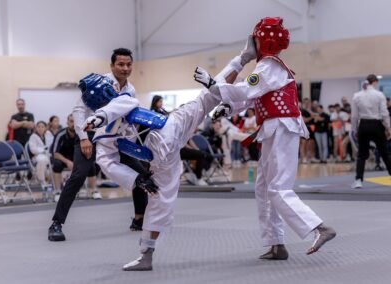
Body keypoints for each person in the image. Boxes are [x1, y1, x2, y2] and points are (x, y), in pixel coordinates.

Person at [82, 37, 256, 270]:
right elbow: (107, 163)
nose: (112, 86)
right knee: (159, 201)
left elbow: (119, 107)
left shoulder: (122, 99)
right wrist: (138, 179)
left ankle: (243, 57)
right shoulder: (102, 133)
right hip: (162, 151)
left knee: (208, 96)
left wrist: (100, 116)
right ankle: (146, 255)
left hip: (171, 125)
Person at [194, 17, 336, 260]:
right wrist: (228, 108)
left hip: (281, 127)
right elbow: (250, 97)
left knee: (278, 188)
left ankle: (319, 227)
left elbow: (247, 89)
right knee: (263, 188)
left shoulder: (270, 66)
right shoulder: (267, 66)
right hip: (273, 129)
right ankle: (276, 243)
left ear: (261, 41)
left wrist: (212, 84)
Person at [48, 48, 147, 241]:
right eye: (120, 64)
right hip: (90, 134)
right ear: (112, 66)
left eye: (128, 64)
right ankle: (56, 224)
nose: (125, 68)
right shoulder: (98, 82)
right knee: (78, 176)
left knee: (141, 174)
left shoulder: (130, 90)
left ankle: (139, 219)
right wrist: (84, 137)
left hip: (114, 138)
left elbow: (126, 118)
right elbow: (78, 110)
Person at [351, 74, 391, 188]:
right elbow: (384, 113)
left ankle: (358, 180)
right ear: (374, 82)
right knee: (384, 152)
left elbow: (354, 116)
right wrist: (388, 128)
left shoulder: (357, 96)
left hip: (363, 124)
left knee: (361, 155)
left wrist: (355, 129)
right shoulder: (379, 95)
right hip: (377, 124)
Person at [50, 114, 99, 202]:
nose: (73, 124)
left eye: (75, 122)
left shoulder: (83, 134)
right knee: (56, 164)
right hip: (63, 159)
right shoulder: (60, 134)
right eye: (71, 121)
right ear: (67, 123)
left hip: (77, 158)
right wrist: (68, 162)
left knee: (90, 164)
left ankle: (94, 190)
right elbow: (55, 153)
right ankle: (57, 192)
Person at [28, 121, 54, 190]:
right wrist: (43, 150)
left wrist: (47, 150)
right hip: (37, 156)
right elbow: (33, 149)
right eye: (38, 127)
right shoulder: (33, 136)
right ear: (36, 128)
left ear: (45, 128)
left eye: (42, 127)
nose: (40, 128)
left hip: (48, 155)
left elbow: (52, 145)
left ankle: (52, 181)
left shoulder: (48, 134)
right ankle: (41, 180)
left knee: (56, 161)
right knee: (42, 160)